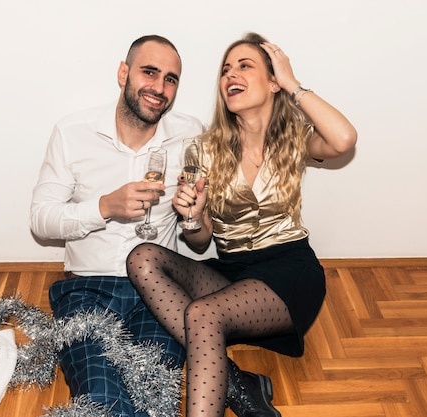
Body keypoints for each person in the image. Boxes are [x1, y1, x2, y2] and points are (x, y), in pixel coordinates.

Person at [126, 32, 358, 417]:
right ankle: (239, 384)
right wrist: (194, 216)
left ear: (272, 82)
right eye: (225, 69)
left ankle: (231, 385)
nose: (230, 74)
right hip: (232, 271)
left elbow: (345, 138)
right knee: (142, 258)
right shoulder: (204, 148)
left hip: (288, 268)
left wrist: (293, 84)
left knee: (201, 314)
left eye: (244, 66)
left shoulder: (295, 136)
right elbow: (201, 242)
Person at [29, 35, 204, 416]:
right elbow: (41, 220)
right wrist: (104, 207)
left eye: (171, 79)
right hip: (86, 289)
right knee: (103, 399)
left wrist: (192, 214)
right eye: (150, 72)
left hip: (158, 291)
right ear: (124, 72)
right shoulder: (73, 132)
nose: (159, 88)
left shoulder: (191, 136)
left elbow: (201, 235)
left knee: (155, 400)